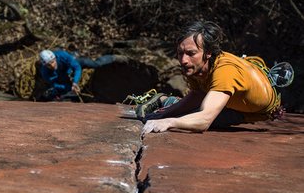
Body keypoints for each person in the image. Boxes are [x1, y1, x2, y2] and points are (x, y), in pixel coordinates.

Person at [139, 20, 290, 135]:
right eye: (180, 53)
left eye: (191, 53)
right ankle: (168, 104)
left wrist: (168, 121)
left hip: (255, 108)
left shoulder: (225, 72)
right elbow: (197, 94)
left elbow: (204, 120)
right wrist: (164, 114)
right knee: (191, 113)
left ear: (209, 52)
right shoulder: (196, 66)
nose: (184, 60)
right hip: (245, 89)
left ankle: (167, 101)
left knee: (193, 118)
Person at [36, 49, 116, 101]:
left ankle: (114, 57)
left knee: (96, 64)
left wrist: (75, 82)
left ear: (55, 58)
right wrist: (70, 87)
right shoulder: (45, 72)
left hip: (73, 65)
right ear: (45, 65)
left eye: (53, 62)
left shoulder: (63, 55)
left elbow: (77, 67)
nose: (52, 65)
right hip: (62, 75)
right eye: (49, 65)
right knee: (62, 91)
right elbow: (55, 84)